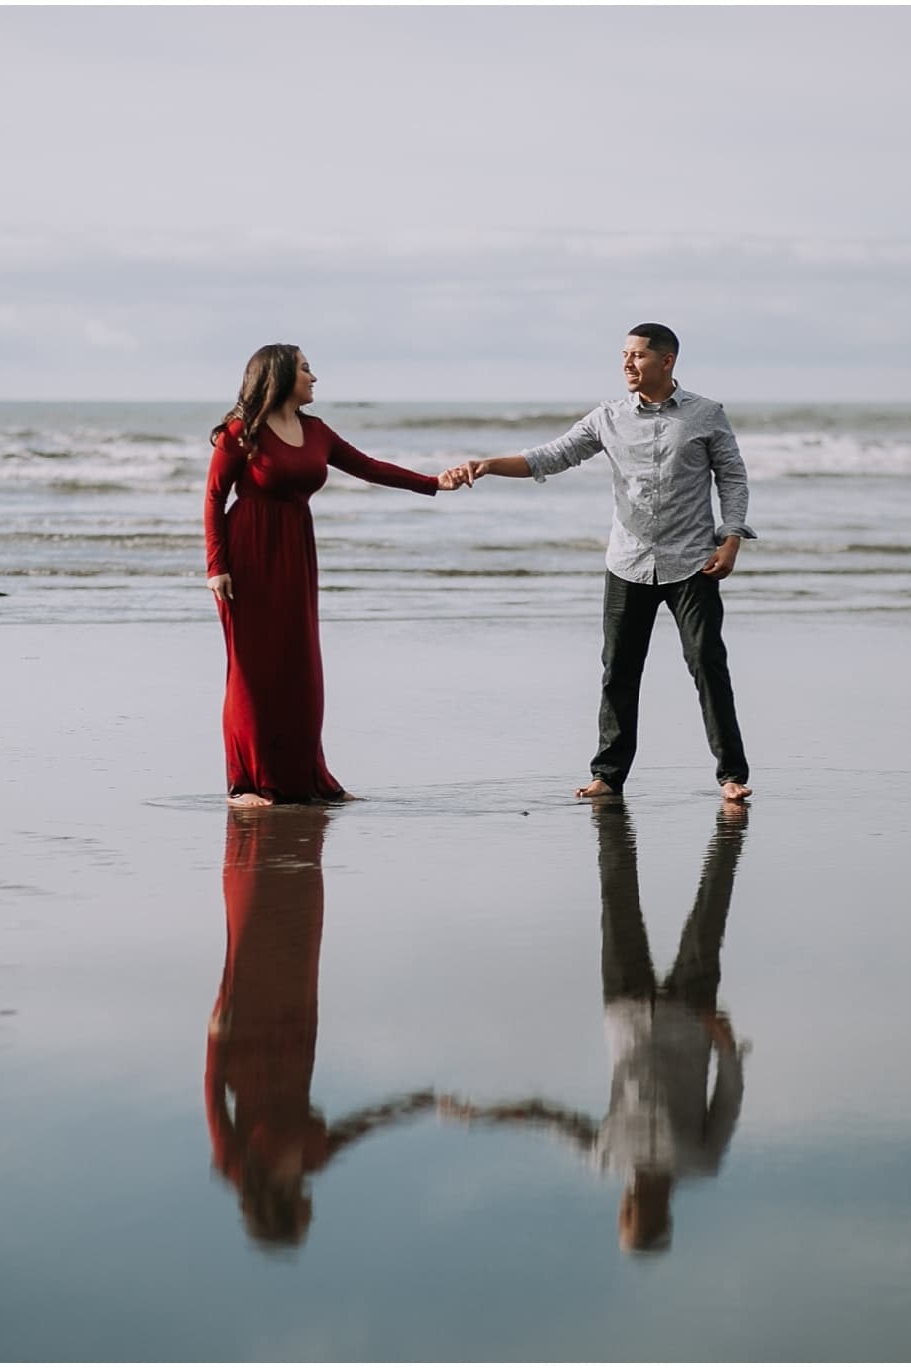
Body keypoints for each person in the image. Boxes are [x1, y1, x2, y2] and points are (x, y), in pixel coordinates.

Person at [445, 325, 754, 802]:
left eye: (638, 356)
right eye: (624, 356)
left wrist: (731, 539)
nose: (628, 364)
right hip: (629, 562)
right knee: (619, 671)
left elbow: (732, 477)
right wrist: (488, 464)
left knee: (707, 664)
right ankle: (608, 776)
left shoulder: (706, 414)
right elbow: (551, 456)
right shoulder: (607, 417)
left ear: (667, 361)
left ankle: (731, 775)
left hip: (693, 560)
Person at [437, 801, 749, 1254]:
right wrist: (724, 1041)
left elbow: (546, 1116)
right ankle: (726, 832)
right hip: (688, 1016)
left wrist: (486, 1115)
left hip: (624, 1006)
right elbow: (731, 1094)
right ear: (648, 1215)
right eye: (630, 1217)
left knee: (616, 897)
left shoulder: (607, 1158)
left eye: (626, 1216)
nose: (626, 1206)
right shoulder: (699, 1162)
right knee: (711, 904)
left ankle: (613, 819)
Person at [205, 344, 467, 805]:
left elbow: (369, 467)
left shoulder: (316, 431)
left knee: (299, 666)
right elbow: (214, 499)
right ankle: (246, 783)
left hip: (295, 550)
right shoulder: (239, 433)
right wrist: (217, 566)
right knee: (251, 670)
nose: (314, 377)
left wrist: (432, 483)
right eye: (306, 369)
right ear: (282, 376)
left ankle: (305, 777)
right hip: (247, 555)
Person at [205, 806, 435, 1248]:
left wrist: (216, 1035)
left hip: (247, 1036)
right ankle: (266, 841)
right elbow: (363, 1127)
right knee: (291, 923)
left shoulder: (235, 1163)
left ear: (283, 1211)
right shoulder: (312, 1160)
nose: (312, 1211)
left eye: (303, 1218)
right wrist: (415, 1104)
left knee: (258, 930)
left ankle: (252, 842)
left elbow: (214, 1098)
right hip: (296, 1024)